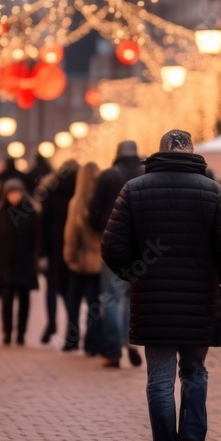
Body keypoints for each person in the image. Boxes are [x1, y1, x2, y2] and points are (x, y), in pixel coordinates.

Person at [101, 129, 221, 441]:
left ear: (158, 153)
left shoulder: (134, 190)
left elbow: (112, 246)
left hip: (153, 302)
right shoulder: (212, 192)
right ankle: (192, 440)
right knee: (195, 372)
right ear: (193, 154)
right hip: (200, 302)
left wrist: (134, 273)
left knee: (160, 380)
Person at [89, 139, 145, 368]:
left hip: (113, 242)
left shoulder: (108, 176)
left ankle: (112, 350)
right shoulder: (146, 174)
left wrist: (102, 230)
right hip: (142, 246)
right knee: (132, 296)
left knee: (111, 297)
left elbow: (94, 212)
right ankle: (128, 338)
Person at [0, 178, 40, 346]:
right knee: (7, 298)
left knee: (24, 299)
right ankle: (7, 332)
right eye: (10, 193)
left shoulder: (31, 213)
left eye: (17, 192)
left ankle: (21, 333)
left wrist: (36, 257)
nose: (14, 196)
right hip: (5, 263)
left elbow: (37, 239)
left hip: (25, 263)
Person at [62, 161, 105, 355]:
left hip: (79, 260)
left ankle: (72, 339)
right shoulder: (101, 202)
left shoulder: (76, 203)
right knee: (94, 305)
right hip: (98, 260)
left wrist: (69, 256)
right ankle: (93, 343)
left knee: (73, 302)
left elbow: (71, 233)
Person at [34, 158, 79, 345]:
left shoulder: (51, 191)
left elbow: (42, 223)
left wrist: (41, 251)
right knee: (70, 289)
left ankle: (51, 322)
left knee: (52, 287)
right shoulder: (80, 191)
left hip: (53, 246)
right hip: (73, 246)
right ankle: (71, 330)